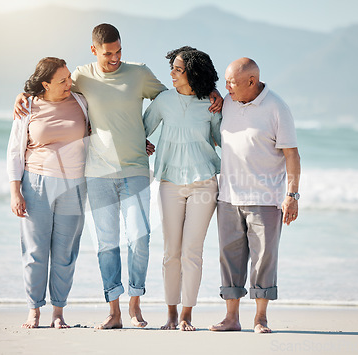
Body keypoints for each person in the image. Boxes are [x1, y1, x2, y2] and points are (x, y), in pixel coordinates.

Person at [13, 24, 223, 329]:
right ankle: (113, 310)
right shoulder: (82, 76)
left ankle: (135, 303)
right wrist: (22, 95)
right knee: (106, 244)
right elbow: (51, 87)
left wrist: (211, 89)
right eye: (108, 53)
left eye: (119, 51)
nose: (115, 58)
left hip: (136, 168)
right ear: (94, 50)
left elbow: (178, 100)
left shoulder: (138, 73)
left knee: (140, 238)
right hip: (97, 173)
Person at [209, 58, 301, 333]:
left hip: (265, 199)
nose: (227, 87)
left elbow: (292, 154)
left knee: (264, 259)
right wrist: (216, 94)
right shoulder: (227, 101)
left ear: (252, 81)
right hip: (228, 197)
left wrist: (292, 195)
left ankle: (260, 318)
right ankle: (231, 317)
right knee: (229, 258)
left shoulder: (277, 108)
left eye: (232, 83)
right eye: (225, 82)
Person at [7, 57, 89, 329]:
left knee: (65, 252)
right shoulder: (28, 107)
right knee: (35, 251)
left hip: (74, 185)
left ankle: (58, 312)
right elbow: (15, 152)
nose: (70, 83)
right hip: (36, 184)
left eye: (69, 78)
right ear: (46, 84)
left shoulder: (81, 101)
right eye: (62, 80)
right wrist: (15, 191)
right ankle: (34, 309)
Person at [143, 47, 221, 331]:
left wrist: (222, 99)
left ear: (193, 73)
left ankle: (187, 314)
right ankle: (171, 313)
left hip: (204, 182)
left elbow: (224, 138)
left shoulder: (210, 104)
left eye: (178, 69)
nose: (172, 73)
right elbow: (141, 128)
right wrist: (144, 144)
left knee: (192, 251)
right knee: (170, 251)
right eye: (172, 68)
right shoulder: (164, 100)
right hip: (170, 182)